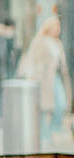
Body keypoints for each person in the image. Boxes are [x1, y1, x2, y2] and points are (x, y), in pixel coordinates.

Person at [17, 13, 71, 147]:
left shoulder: (57, 43)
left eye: (59, 25)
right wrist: (33, 78)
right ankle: (44, 136)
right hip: (43, 80)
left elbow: (61, 63)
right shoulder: (40, 41)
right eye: (56, 25)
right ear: (49, 27)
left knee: (62, 105)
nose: (58, 28)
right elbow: (32, 60)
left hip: (56, 78)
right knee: (45, 110)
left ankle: (52, 131)